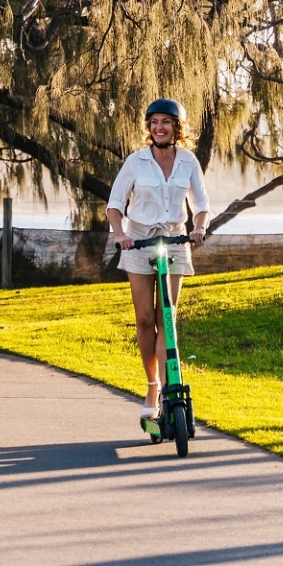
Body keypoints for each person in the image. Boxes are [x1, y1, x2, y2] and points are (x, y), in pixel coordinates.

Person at [105, 97, 210, 420]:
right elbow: (114, 205)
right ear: (149, 127)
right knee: (144, 319)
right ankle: (151, 385)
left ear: (177, 127)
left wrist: (198, 228)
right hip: (139, 242)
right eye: (154, 122)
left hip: (175, 241)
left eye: (166, 122)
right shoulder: (136, 162)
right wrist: (120, 234)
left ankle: (168, 387)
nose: (159, 127)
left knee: (167, 316)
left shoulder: (188, 162)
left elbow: (201, 204)